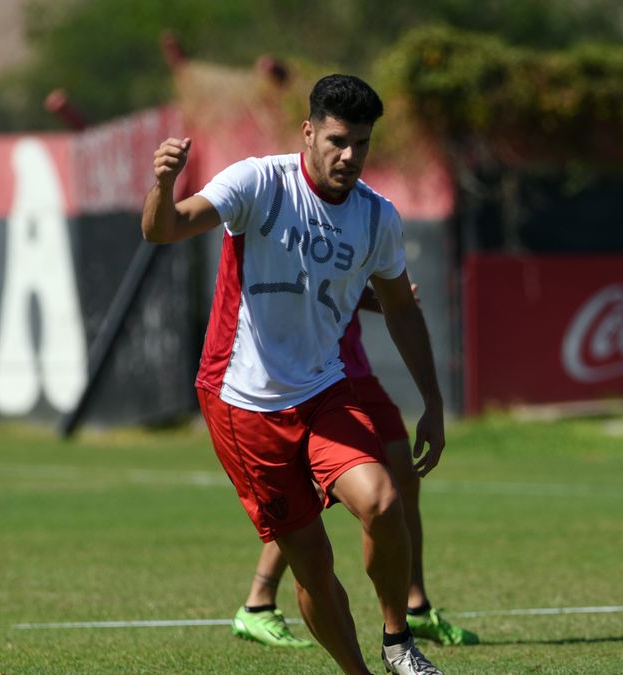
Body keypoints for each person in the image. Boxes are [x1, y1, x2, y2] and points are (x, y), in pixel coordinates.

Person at [142, 73, 446, 675]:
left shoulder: (377, 216)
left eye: (362, 143)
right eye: (337, 140)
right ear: (307, 132)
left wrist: (432, 402)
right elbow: (164, 228)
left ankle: (396, 641)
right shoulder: (259, 182)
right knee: (312, 560)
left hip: (322, 388)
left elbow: (401, 311)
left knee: (384, 503)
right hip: (241, 402)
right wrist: (162, 182)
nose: (350, 155)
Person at [231, 290, 478, 650]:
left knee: (404, 477)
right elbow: (310, 281)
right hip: (315, 375)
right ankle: (258, 601)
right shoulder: (287, 235)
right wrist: (377, 296)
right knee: (322, 487)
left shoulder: (364, 232)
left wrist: (380, 297)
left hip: (355, 372)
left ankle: (416, 605)